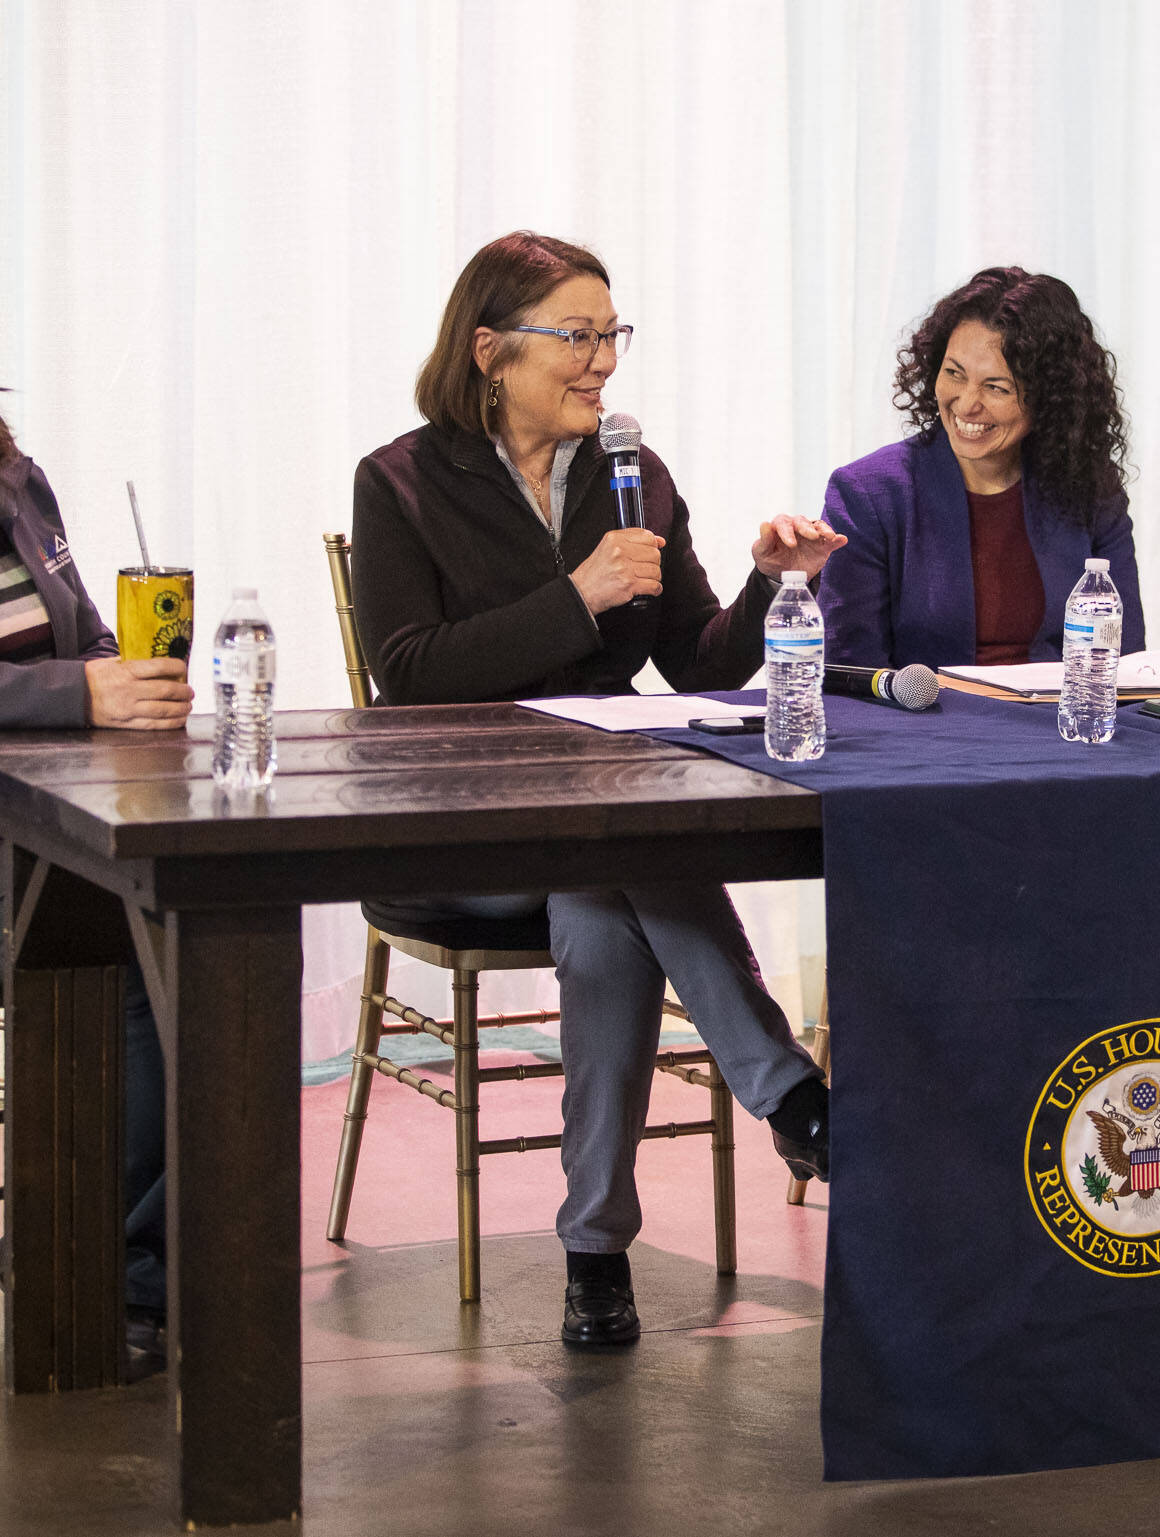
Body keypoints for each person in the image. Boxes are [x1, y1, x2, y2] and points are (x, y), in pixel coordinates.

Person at [351, 232, 846, 1348]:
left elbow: (702, 664)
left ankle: (594, 1251)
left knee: (603, 914)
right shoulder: (399, 480)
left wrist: (773, 586)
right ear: (490, 349)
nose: (602, 363)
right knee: (621, 855)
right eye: (576, 336)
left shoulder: (635, 474)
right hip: (457, 823)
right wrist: (574, 600)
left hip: (595, 831)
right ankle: (788, 1094)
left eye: (611, 334)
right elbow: (411, 672)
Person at [0, 393, 195, 1377]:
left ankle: (117, 1263)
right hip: (18, 830)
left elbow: (75, 633)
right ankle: (112, 1272)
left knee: (188, 952)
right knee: (132, 973)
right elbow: (60, 676)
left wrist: (125, 675)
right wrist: (78, 694)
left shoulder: (18, 478)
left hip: (41, 812)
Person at [817, 266, 1144, 668]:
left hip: (1061, 724)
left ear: (1050, 398)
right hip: (925, 727)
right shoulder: (866, 493)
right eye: (954, 373)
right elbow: (849, 676)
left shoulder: (1090, 488)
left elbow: (1124, 658)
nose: (967, 403)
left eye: (996, 387)